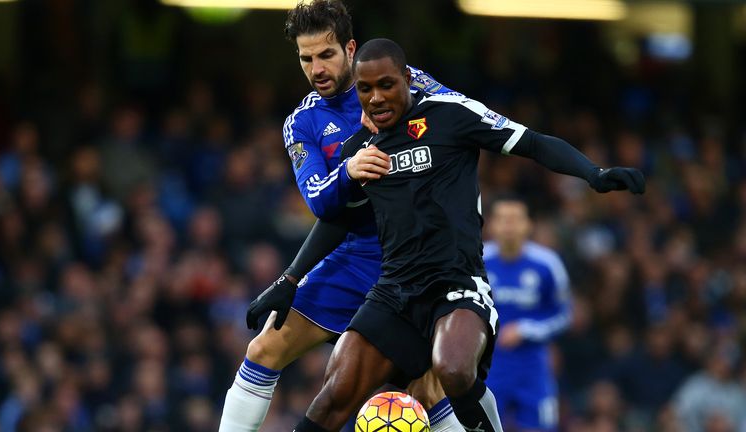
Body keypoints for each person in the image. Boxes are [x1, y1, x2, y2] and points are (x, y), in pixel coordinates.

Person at [276, 38, 645, 432]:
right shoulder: (361, 148)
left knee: (452, 369)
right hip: (394, 290)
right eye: (365, 89)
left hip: (456, 283)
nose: (376, 98)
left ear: (407, 79)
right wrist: (289, 279)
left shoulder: (452, 114)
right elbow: (337, 220)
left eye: (386, 85)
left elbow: (532, 143)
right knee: (335, 393)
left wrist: (594, 173)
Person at [218, 2, 465, 431]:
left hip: (415, 260)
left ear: (350, 49)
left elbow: (467, 121)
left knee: (427, 389)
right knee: (263, 349)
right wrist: (349, 167)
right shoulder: (303, 123)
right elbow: (319, 202)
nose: (316, 68)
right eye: (306, 58)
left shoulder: (405, 83)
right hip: (353, 257)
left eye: (326, 55)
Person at [482, 196, 572, 432]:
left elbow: (563, 314)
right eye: (502, 219)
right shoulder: (478, 262)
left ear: (528, 225)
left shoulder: (547, 264)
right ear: (491, 225)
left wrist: (527, 330)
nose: (509, 226)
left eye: (515, 219)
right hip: (489, 365)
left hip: (533, 365)